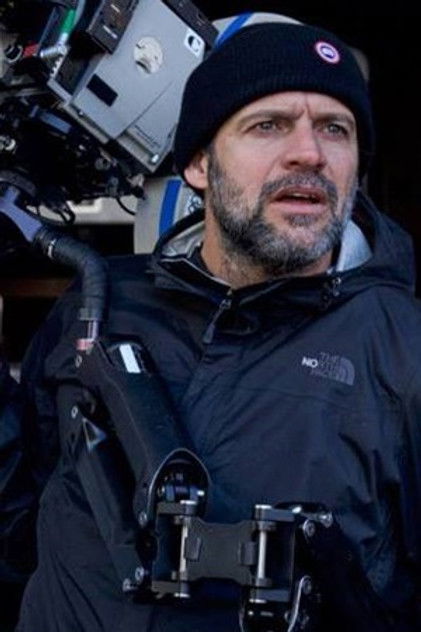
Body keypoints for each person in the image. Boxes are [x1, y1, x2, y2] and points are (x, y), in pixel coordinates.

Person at [3, 18, 421, 632]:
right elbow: (24, 517)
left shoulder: (405, 351)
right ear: (198, 164)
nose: (309, 152)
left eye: (336, 129)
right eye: (268, 125)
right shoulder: (100, 299)